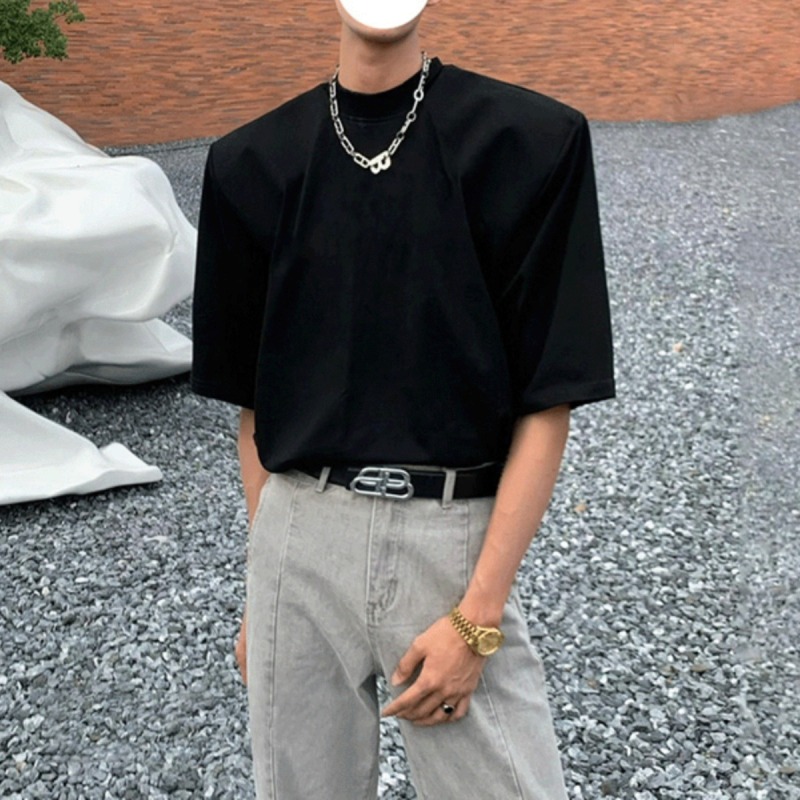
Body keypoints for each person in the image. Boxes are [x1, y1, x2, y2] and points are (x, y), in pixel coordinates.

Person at [190, 0, 615, 796]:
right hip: (294, 538)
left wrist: (478, 616)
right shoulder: (250, 163)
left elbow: (548, 401)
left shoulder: (529, 144)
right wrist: (263, 587)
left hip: (449, 544)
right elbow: (253, 409)